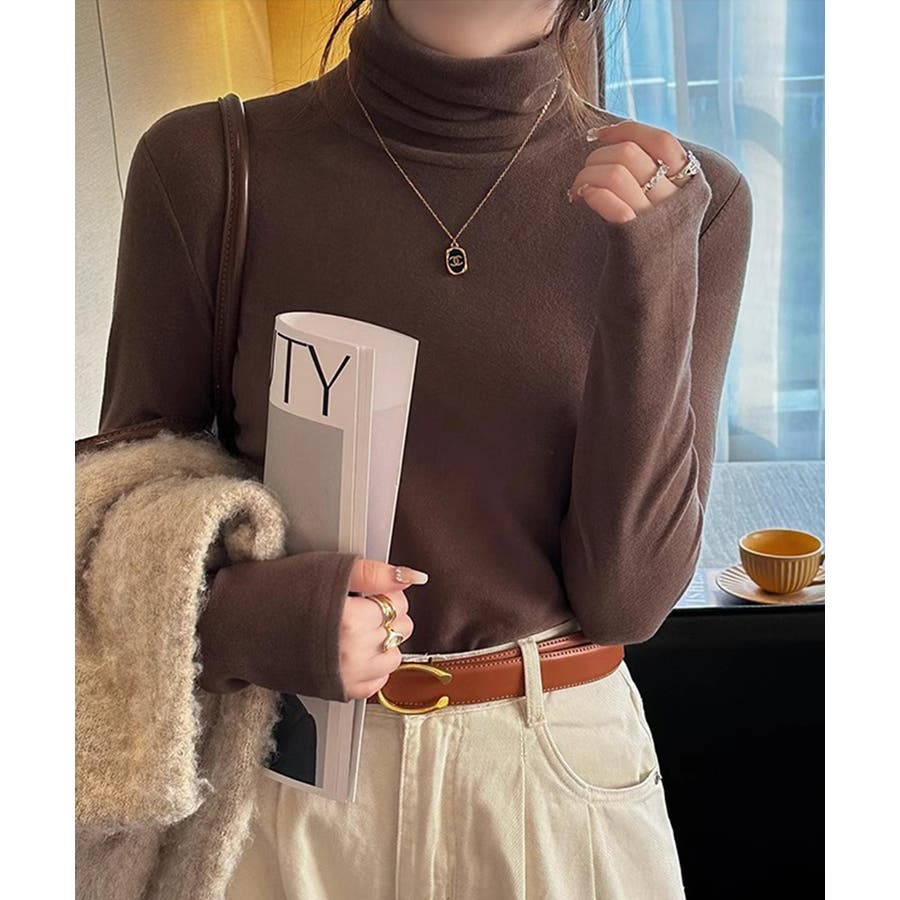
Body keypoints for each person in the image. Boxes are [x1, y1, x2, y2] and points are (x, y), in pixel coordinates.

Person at [97, 0, 752, 896]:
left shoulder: (687, 204)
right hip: (282, 780)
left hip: (558, 785)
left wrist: (653, 285)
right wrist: (252, 621)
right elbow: (113, 539)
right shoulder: (210, 165)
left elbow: (628, 599)